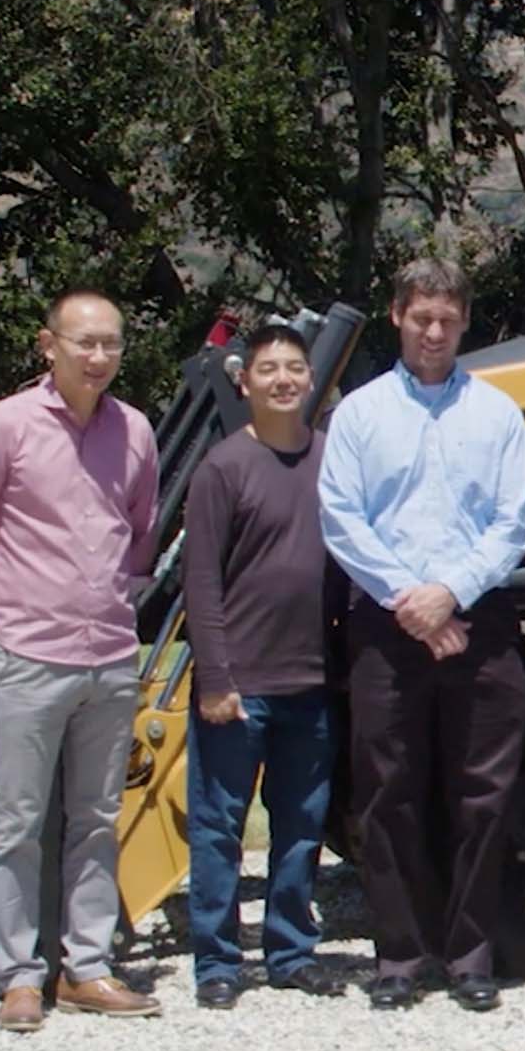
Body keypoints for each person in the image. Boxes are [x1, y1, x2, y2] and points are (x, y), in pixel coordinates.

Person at [0, 286, 165, 1029]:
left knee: (97, 818)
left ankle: (86, 968)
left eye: (111, 343)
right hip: (30, 657)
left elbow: (140, 532)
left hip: (109, 656)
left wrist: (114, 600)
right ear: (48, 346)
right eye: (83, 342)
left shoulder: (135, 432)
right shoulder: (1, 429)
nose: (98, 357)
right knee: (18, 821)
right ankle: (20, 976)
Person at [317, 257, 525, 1014]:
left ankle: (471, 955)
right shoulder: (360, 414)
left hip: (479, 619)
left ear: (465, 321)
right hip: (386, 623)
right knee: (388, 794)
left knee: (483, 795)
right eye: (421, 318)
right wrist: (410, 598)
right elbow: (341, 517)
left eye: (447, 319)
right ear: (397, 317)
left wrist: (451, 594)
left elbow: (515, 520)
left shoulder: (498, 414)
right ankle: (401, 956)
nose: (435, 332)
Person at [180, 320, 349, 1011]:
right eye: (268, 368)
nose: (283, 379)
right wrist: (217, 679)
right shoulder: (222, 468)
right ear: (244, 381)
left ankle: (289, 950)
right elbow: (202, 583)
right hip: (239, 686)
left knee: (301, 827)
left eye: (294, 368)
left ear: (312, 379)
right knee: (219, 828)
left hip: (311, 683)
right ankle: (218, 963)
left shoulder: (332, 462)